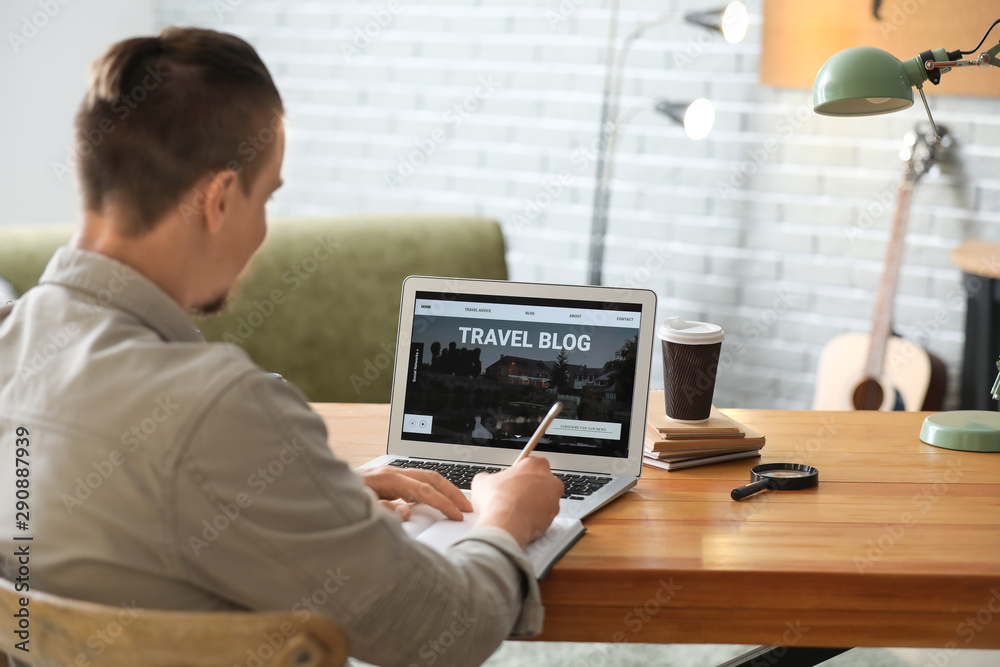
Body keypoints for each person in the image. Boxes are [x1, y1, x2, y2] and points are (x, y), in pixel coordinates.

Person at [0, 27, 563, 667]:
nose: (263, 229)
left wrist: (305, 491)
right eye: (266, 195)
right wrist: (506, 518)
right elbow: (443, 631)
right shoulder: (220, 408)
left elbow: (115, 517)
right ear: (217, 199)